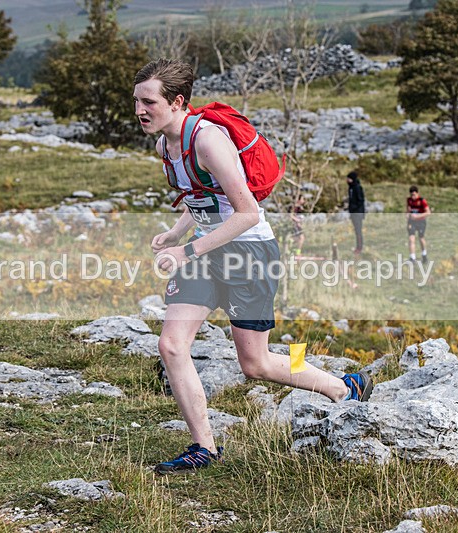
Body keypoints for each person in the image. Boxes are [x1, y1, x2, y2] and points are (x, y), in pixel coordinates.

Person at [133, 58, 373, 475]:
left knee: (255, 364)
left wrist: (186, 252)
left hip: (249, 252)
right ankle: (203, 447)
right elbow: (201, 194)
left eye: (148, 102)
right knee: (171, 345)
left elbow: (245, 211)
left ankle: (343, 387)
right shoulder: (163, 146)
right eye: (136, 101)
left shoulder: (208, 141)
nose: (139, 110)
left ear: (177, 102)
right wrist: (176, 234)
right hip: (207, 251)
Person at [406, 185, 430, 262]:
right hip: (412, 222)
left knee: (421, 238)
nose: (413, 197)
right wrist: (408, 215)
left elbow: (428, 212)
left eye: (414, 195)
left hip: (421, 222)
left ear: (417, 193)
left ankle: (424, 254)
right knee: (411, 238)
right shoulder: (409, 200)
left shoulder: (422, 200)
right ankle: (412, 257)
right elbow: (408, 210)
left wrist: (417, 216)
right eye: (411, 195)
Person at [346, 170, 366, 255]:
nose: (347, 180)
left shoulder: (357, 188)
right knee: (356, 230)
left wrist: (356, 209)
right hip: (353, 212)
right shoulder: (350, 188)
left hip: (358, 212)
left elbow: (360, 201)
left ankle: (359, 247)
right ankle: (358, 246)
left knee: (358, 230)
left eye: (348, 179)